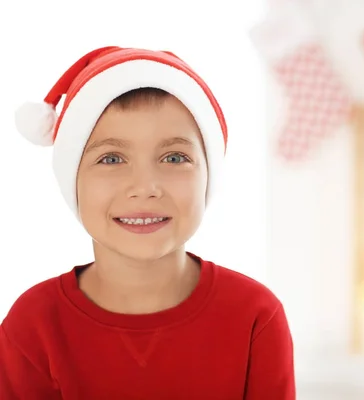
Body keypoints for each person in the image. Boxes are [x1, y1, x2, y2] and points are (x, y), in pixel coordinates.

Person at [0, 46, 295, 399]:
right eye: (111, 158)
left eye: (174, 157)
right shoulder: (33, 324)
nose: (144, 188)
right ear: (72, 178)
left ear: (208, 176)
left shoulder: (256, 317)